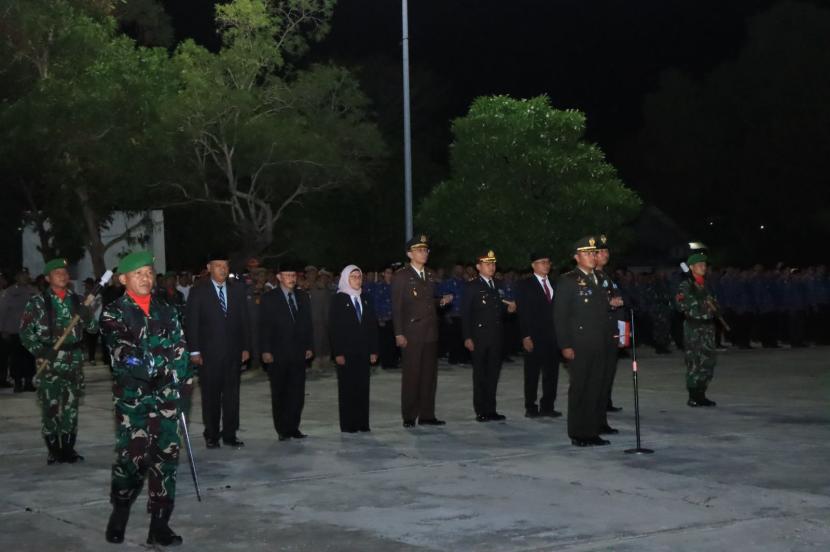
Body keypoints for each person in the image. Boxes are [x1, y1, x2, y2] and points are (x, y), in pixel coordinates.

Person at [100, 250, 193, 546]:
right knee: (133, 460)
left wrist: (183, 384)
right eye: (138, 273)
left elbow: (180, 348)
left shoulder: (167, 309)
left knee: (166, 459)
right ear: (124, 279)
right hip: (134, 401)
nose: (145, 278)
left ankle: (160, 524)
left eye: (149, 272)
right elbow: (124, 353)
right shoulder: (114, 312)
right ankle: (121, 507)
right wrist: (155, 367)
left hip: (166, 399)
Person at [20, 258, 98, 464]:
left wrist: (87, 314)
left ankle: (69, 449)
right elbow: (25, 333)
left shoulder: (79, 301)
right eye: (57, 273)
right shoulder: (37, 303)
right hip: (50, 362)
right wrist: (41, 351)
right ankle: (54, 450)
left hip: (73, 361)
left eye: (64, 272)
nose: (63, 275)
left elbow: (92, 329)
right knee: (51, 408)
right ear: (47, 278)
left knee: (71, 407)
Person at [185, 254, 251, 448]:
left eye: (225, 265)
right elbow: (192, 323)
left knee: (232, 396)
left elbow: (244, 321)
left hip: (233, 352)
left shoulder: (237, 290)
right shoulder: (198, 292)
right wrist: (194, 351)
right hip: (209, 355)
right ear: (209, 267)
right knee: (211, 396)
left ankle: (230, 434)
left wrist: (246, 347)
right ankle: (212, 434)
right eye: (218, 265)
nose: (223, 269)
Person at [554, 237, 613, 447]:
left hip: (600, 342)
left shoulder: (598, 277)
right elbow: (560, 316)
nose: (592, 256)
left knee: (595, 387)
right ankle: (578, 433)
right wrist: (565, 345)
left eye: (593, 252)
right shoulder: (569, 280)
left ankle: (592, 430)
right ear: (577, 257)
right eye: (587, 253)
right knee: (580, 388)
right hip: (579, 344)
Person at [391, 235, 453, 428]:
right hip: (411, 332)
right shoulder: (402, 276)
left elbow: (427, 301)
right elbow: (397, 307)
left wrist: (440, 301)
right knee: (412, 375)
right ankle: (409, 416)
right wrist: (399, 333)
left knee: (429, 376)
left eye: (425, 250)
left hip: (430, 331)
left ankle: (427, 415)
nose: (424, 253)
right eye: (419, 250)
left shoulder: (430, 274)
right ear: (410, 254)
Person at [260, 261, 314, 440]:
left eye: (293, 275)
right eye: (287, 275)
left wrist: (309, 346)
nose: (291, 279)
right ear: (279, 277)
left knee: (297, 393)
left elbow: (307, 324)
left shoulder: (303, 296)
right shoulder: (269, 298)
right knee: (280, 392)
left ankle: (293, 427)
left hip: (298, 352)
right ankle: (282, 429)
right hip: (278, 353)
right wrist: (266, 350)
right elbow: (264, 326)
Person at [461, 250, 516, 422]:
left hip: (496, 336)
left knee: (493, 374)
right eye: (487, 264)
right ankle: (481, 410)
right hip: (479, 336)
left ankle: (491, 409)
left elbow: (500, 311)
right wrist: (467, 337)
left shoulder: (499, 285)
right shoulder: (472, 286)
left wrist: (510, 311)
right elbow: (466, 314)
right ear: (478, 267)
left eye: (493, 264)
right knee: (480, 374)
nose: (491, 267)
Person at [328, 265, 379, 433]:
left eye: (359, 277)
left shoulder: (366, 298)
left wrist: (373, 350)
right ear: (345, 279)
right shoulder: (338, 300)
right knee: (347, 388)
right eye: (353, 277)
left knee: (363, 388)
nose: (357, 280)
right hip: (346, 352)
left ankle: (363, 423)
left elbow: (372, 325)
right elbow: (333, 328)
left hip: (364, 351)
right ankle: (349, 424)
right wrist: (338, 352)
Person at [515, 253, 561, 418]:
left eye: (548, 262)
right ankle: (531, 406)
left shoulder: (555, 284)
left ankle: (548, 406)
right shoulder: (525, 285)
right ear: (533, 265)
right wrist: (525, 336)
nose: (546, 265)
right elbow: (523, 312)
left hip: (553, 336)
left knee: (552, 373)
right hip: (534, 335)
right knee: (532, 373)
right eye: (542, 262)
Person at [675, 252, 719, 407]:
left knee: (708, 361)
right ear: (691, 267)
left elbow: (715, 304)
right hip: (694, 327)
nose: (703, 267)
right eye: (700, 265)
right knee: (695, 362)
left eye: (705, 265)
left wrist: (712, 306)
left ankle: (702, 393)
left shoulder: (705, 285)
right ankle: (693, 395)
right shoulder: (686, 285)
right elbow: (681, 305)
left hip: (708, 327)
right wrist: (701, 305)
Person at [593, 235, 625, 434]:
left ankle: (602, 418)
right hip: (596, 335)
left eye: (607, 251)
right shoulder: (586, 279)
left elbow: (618, 305)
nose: (606, 255)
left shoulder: (606, 277)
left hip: (611, 333)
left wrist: (622, 333)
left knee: (606, 377)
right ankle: (594, 420)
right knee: (596, 380)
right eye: (601, 251)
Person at [0, 269, 37, 391]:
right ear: (16, 277)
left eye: (26, 275)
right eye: (21, 275)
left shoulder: (33, 291)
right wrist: (3, 329)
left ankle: (28, 381)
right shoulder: (10, 292)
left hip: (31, 330)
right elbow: (3, 311)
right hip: (15, 330)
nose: (24, 277)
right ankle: (17, 382)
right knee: (16, 358)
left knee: (30, 357)